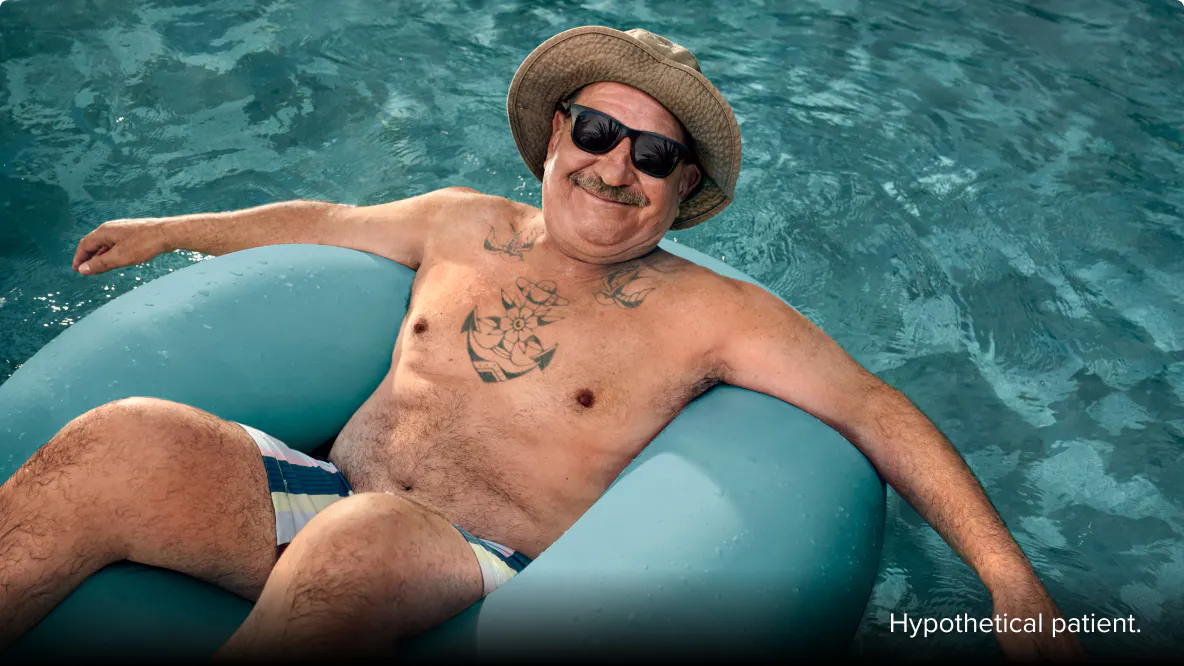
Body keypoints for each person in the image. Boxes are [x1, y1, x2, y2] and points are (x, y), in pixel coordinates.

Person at [0, 26, 1081, 661]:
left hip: (480, 568)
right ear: (557, 132)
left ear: (682, 189)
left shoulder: (712, 316)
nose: (615, 168)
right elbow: (324, 221)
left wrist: (1010, 583)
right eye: (599, 132)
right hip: (317, 497)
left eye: (653, 156)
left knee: (363, 538)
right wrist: (171, 230)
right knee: (121, 438)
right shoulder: (459, 222)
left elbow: (872, 408)